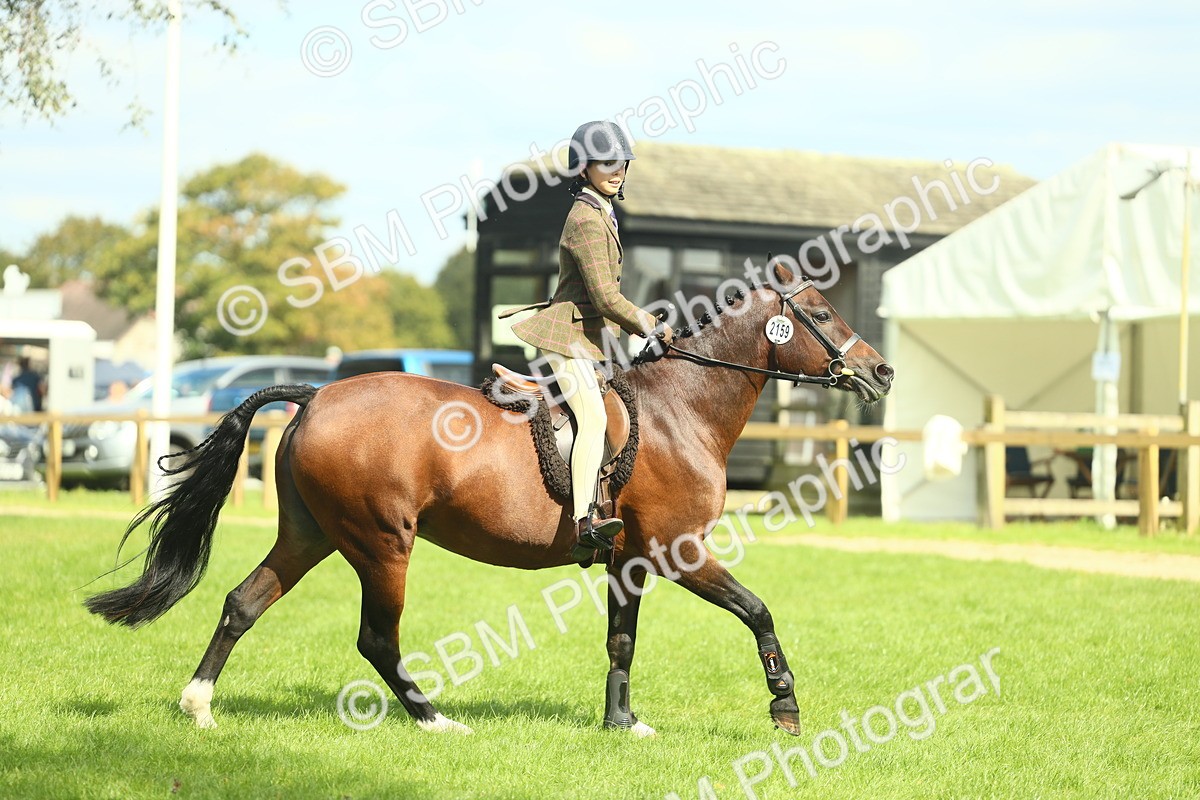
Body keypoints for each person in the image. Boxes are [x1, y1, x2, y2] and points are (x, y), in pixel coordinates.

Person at [510, 120, 675, 560]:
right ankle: (586, 522)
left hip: (588, 339)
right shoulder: (585, 218)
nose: (617, 170)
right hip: (566, 339)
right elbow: (604, 296)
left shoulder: (603, 211)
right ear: (583, 168)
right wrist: (645, 321)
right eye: (607, 163)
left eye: (621, 163)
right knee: (594, 417)